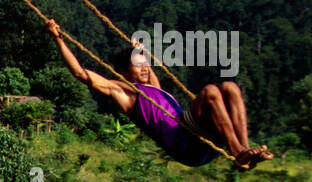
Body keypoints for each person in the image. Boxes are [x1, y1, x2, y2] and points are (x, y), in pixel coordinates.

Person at [45, 19, 272, 170]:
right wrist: (58, 38)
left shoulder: (155, 89)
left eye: (145, 64)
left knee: (231, 87)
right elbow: (79, 73)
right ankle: (239, 153)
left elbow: (149, 70)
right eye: (137, 65)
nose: (144, 68)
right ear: (123, 71)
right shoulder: (126, 93)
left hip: (202, 142)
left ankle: (243, 150)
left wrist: (139, 50)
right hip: (186, 145)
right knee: (211, 92)